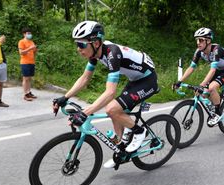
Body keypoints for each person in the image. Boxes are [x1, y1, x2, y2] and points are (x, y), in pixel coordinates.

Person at [53, 21, 158, 168]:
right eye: (77, 44)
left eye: (82, 45)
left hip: (148, 80)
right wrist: (65, 97)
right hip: (135, 79)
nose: (78, 49)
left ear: (95, 43)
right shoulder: (95, 54)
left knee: (112, 108)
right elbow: (85, 78)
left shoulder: (112, 54)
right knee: (115, 111)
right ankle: (121, 151)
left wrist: (85, 113)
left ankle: (140, 131)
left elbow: (110, 92)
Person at [173, 27, 224, 126]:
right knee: (202, 92)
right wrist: (179, 81)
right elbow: (191, 68)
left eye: (201, 40)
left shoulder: (216, 50)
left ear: (208, 41)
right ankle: (215, 102)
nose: (198, 43)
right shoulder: (199, 51)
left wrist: (202, 84)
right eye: (197, 40)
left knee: (211, 87)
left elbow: (212, 70)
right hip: (218, 70)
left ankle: (217, 114)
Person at [18, 27, 38, 101]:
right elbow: (21, 52)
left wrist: (35, 49)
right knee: (25, 78)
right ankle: (25, 94)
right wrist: (30, 48)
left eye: (30, 33)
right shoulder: (21, 42)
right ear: (24, 34)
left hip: (31, 62)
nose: (30, 35)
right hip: (24, 62)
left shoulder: (31, 42)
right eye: (28, 33)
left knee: (29, 78)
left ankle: (29, 92)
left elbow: (34, 52)